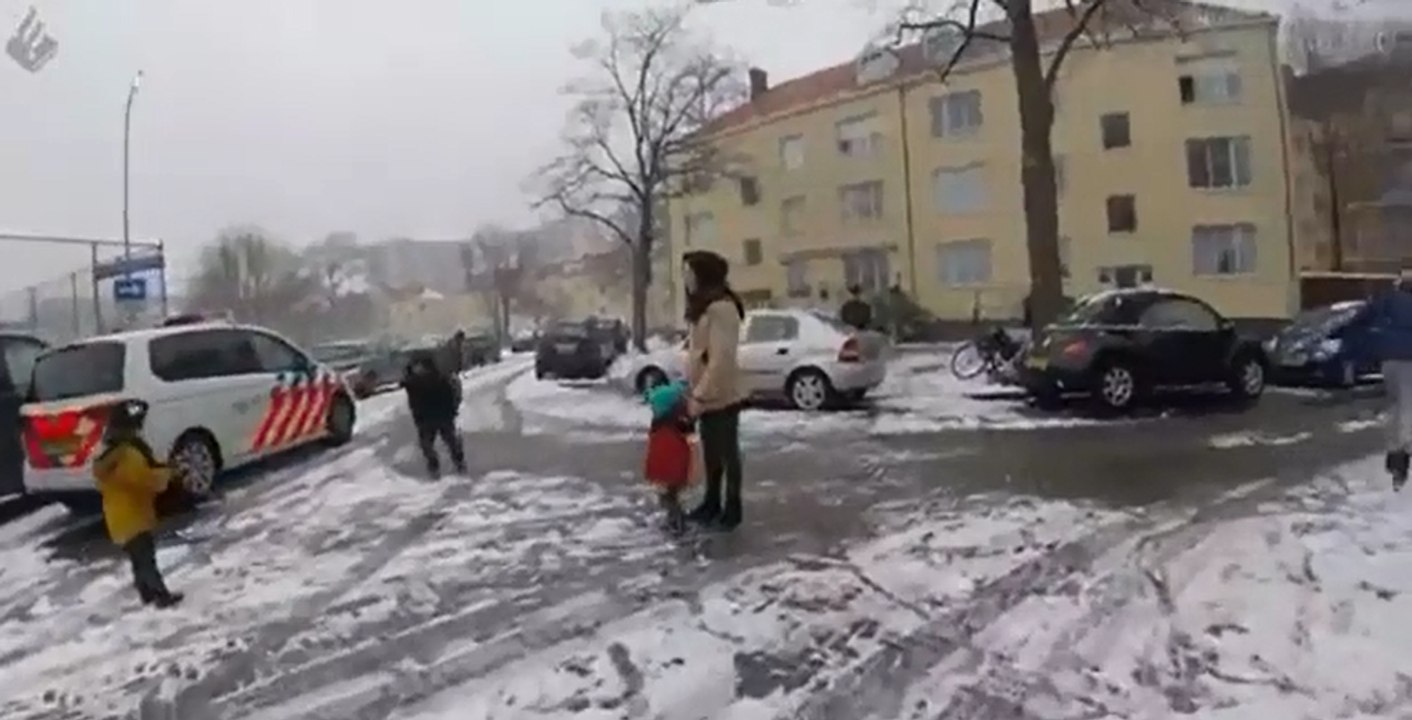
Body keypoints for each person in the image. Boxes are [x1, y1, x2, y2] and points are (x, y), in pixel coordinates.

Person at [91, 399, 183, 608]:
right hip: (134, 515)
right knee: (146, 558)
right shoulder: (127, 454)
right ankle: (160, 595)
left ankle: (146, 593)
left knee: (137, 558)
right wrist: (169, 474)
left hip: (120, 516)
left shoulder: (109, 453)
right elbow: (143, 479)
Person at [681, 250, 747, 529]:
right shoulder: (704, 306)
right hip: (707, 394)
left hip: (721, 393)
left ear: (704, 274)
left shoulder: (722, 308)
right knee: (711, 452)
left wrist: (700, 394)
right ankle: (711, 502)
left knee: (726, 452)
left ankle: (732, 508)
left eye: (690, 272)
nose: (686, 278)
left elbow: (721, 358)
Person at [1352, 270, 1412, 491]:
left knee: (1395, 405)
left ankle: (1395, 453)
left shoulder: (1387, 299)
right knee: (1407, 407)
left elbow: (1363, 317)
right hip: (1409, 361)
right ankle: (1401, 457)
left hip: (1388, 361)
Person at [402, 350, 466, 477]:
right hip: (431, 418)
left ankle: (456, 464)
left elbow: (453, 394)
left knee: (448, 441)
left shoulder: (437, 379)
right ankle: (438, 466)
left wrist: (452, 409)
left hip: (439, 416)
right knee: (432, 444)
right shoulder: (416, 383)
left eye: (419, 366)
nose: (418, 369)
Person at [643, 380, 695, 534]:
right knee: (673, 495)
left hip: (664, 470)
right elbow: (690, 437)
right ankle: (676, 522)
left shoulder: (657, 426)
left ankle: (672, 520)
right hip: (675, 468)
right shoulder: (680, 421)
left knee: (668, 495)